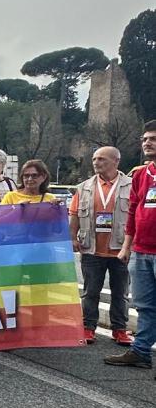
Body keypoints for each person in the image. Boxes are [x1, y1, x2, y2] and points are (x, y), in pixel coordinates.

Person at [105, 121, 156, 368]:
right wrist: (127, 246)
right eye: (145, 139)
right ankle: (141, 351)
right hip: (141, 250)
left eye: (153, 139)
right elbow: (134, 210)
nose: (148, 143)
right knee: (145, 305)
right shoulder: (140, 174)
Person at [71, 147, 132, 346]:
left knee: (120, 292)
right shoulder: (84, 187)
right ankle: (88, 327)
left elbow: (137, 217)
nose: (96, 162)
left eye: (102, 159)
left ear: (116, 161)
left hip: (121, 249)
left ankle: (120, 329)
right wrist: (72, 237)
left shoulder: (131, 186)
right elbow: (74, 214)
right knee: (90, 291)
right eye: (94, 158)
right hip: (92, 247)